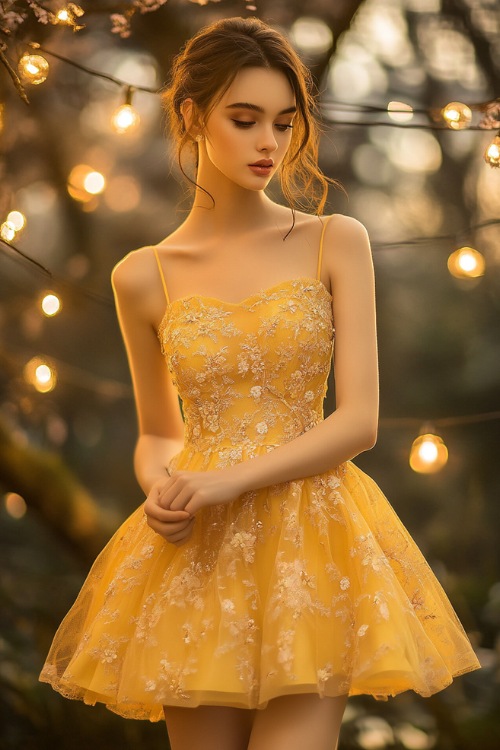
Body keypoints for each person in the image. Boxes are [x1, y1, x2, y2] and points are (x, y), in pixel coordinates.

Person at [40, 16, 480, 750]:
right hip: (199, 551)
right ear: (191, 115)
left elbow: (359, 421)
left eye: (282, 122)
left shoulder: (334, 240)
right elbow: (158, 432)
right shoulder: (141, 275)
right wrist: (163, 485)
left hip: (313, 541)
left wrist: (225, 481)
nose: (269, 143)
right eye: (244, 120)